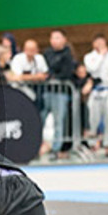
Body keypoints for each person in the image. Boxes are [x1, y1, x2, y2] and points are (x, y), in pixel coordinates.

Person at [43, 30, 76, 158]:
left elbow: (67, 73)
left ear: (64, 39)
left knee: (58, 121)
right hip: (47, 91)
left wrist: (53, 76)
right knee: (41, 117)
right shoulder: (47, 53)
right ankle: (40, 146)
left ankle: (56, 148)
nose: (54, 40)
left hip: (61, 93)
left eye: (58, 37)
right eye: (52, 38)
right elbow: (45, 69)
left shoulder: (68, 54)